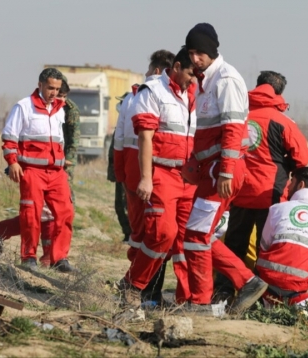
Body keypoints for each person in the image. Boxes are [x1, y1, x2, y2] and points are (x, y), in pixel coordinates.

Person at [181, 23, 268, 314]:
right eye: (191, 53)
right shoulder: (204, 81)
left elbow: (232, 130)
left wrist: (226, 171)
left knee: (196, 234)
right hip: (211, 170)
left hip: (222, 170)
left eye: (199, 52)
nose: (194, 58)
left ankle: (202, 300)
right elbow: (207, 131)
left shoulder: (226, 79)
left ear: (212, 50)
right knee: (197, 234)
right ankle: (246, 282)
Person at [215, 70, 308, 300]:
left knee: (234, 245)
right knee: (265, 248)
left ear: (257, 86)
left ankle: (224, 292)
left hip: (237, 191)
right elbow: (303, 158)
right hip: (270, 194)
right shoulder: (283, 121)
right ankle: (262, 297)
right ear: (278, 93)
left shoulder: (240, 115)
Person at [119, 47, 197, 306]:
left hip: (188, 178)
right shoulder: (151, 92)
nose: (192, 79)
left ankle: (188, 298)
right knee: (161, 234)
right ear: (175, 67)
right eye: (189, 73)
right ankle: (132, 285)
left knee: (186, 239)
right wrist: (145, 178)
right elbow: (144, 138)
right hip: (162, 174)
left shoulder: (194, 95)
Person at [0, 79, 78, 271]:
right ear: (40, 85)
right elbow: (9, 137)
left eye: (57, 89)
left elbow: (59, 141)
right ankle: (28, 257)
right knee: (32, 215)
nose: (54, 93)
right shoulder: (24, 107)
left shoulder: (60, 110)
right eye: (51, 88)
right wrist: (12, 162)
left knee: (66, 213)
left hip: (56, 172)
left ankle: (59, 259)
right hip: (32, 171)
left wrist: (63, 161)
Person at [113, 50, 175, 306]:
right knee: (156, 235)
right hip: (150, 176)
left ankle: (142, 288)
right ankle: (146, 291)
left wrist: (121, 175)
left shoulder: (133, 97)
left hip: (133, 174)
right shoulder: (152, 95)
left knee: (144, 235)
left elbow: (119, 140)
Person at [258, 167, 308, 307]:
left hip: (268, 291)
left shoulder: (276, 209)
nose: (288, 186)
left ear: (301, 185)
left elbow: (264, 246)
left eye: (292, 181)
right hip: (300, 296)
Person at [108, 92, 132, 242]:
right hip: (119, 171)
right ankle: (128, 234)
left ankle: (131, 234)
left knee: (126, 205)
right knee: (119, 205)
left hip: (127, 172)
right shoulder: (122, 123)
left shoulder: (130, 124)